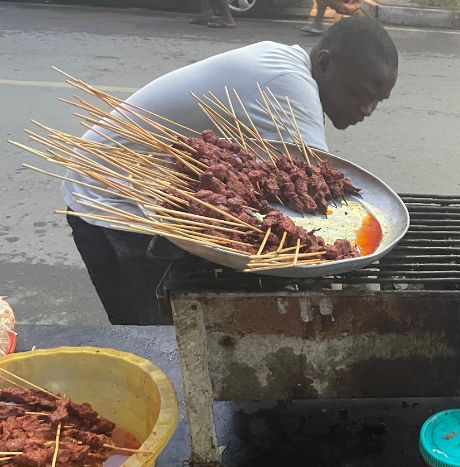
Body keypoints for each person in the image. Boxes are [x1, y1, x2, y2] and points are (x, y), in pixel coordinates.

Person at [63, 16, 398, 333]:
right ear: (324, 65)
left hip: (153, 188)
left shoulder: (286, 61)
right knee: (158, 340)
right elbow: (316, 202)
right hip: (111, 198)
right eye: (360, 94)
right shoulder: (289, 89)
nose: (367, 109)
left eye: (378, 101)